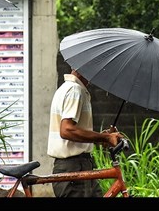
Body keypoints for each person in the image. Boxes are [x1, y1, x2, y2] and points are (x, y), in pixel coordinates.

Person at [47, 69, 123, 197]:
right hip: (74, 168)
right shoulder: (75, 91)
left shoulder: (65, 88)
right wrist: (106, 137)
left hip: (80, 166)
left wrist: (103, 138)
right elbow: (66, 130)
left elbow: (73, 131)